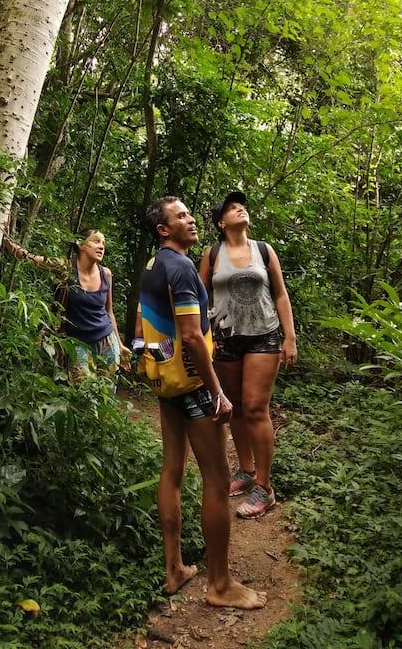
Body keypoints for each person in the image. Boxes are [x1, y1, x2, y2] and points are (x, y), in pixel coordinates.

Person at [137, 196, 267, 609]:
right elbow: (193, 335)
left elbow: (148, 323)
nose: (191, 220)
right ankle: (220, 585)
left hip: (167, 379)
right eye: (181, 216)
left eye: (190, 214)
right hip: (193, 383)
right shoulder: (182, 268)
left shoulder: (154, 265)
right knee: (216, 479)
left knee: (172, 469)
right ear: (164, 229)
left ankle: (174, 568)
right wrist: (217, 391)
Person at [199, 190, 297, 519]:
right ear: (221, 222)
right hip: (225, 339)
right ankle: (246, 470)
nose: (240, 208)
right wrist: (202, 338)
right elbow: (200, 297)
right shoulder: (212, 254)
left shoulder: (264, 250)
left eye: (241, 205)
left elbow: (280, 294)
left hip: (264, 336)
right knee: (237, 408)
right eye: (231, 207)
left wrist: (290, 337)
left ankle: (264, 487)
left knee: (255, 407)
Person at [4, 228, 129, 376]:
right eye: (96, 241)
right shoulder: (66, 268)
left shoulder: (106, 274)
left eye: (103, 243)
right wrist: (5, 239)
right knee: (82, 387)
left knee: (107, 388)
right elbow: (32, 259)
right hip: (78, 343)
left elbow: (109, 312)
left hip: (107, 340)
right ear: (81, 244)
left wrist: (120, 345)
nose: (102, 246)